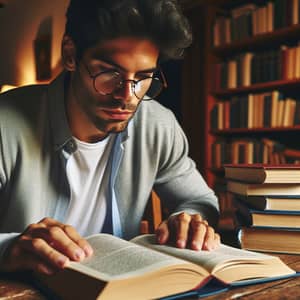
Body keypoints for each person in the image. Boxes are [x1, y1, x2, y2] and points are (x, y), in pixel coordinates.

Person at [0, 0, 220, 275]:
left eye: (143, 77)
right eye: (109, 73)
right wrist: (9, 249)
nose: (127, 96)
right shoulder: (4, 124)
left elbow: (200, 201)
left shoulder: (159, 125)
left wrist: (188, 222)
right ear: (70, 54)